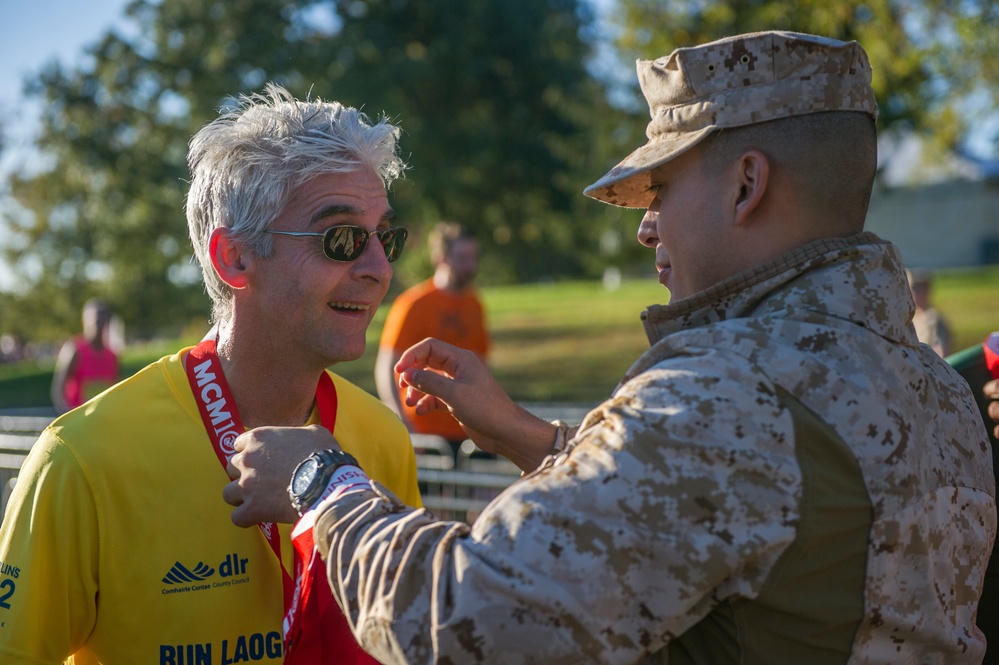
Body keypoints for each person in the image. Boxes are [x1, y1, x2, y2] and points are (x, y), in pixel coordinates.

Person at [223, 32, 996, 664]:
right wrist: (532, 437)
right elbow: (739, 509)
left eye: (659, 190)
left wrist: (324, 483)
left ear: (745, 186)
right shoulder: (934, 388)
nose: (645, 226)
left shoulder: (724, 392)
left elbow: (466, 619)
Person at [0, 84, 421, 664]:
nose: (378, 268)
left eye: (386, 238)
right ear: (235, 259)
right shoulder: (79, 459)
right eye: (342, 239)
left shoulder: (382, 439)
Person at [375, 221, 489, 457]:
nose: (471, 265)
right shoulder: (413, 304)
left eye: (473, 257)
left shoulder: (475, 305)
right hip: (423, 433)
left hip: (466, 430)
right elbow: (386, 367)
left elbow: (481, 367)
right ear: (441, 258)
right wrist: (404, 425)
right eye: (463, 257)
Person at [50, 298, 120, 414]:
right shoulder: (74, 349)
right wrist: (67, 418)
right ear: (85, 320)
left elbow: (114, 392)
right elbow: (58, 391)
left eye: (103, 319)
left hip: (102, 421)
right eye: (96, 319)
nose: (99, 324)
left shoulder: (112, 356)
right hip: (77, 422)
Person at [907, 267, 952, 357]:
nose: (913, 293)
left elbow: (941, 354)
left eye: (918, 288)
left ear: (927, 290)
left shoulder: (933, 320)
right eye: (911, 288)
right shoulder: (912, 319)